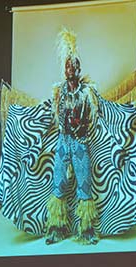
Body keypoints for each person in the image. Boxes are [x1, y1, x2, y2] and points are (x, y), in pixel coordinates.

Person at [45, 27, 98, 245]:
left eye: (73, 65)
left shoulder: (87, 92)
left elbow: (92, 118)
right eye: (67, 65)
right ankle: (56, 227)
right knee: (58, 182)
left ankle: (86, 230)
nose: (70, 69)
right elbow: (56, 115)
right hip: (62, 141)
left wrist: (80, 126)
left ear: (78, 68)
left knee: (84, 184)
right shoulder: (58, 90)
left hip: (79, 142)